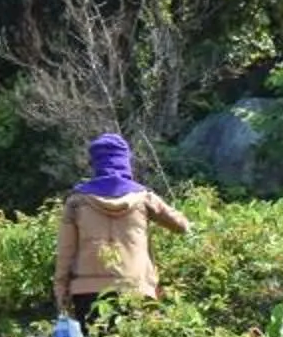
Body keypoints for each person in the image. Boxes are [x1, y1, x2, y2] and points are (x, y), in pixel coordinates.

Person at [54, 133, 194, 316]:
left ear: (95, 163)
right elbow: (182, 226)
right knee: (133, 335)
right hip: (136, 287)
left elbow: (65, 252)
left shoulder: (76, 201)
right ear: (125, 161)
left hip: (87, 290)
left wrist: (61, 290)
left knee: (95, 335)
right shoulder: (144, 197)